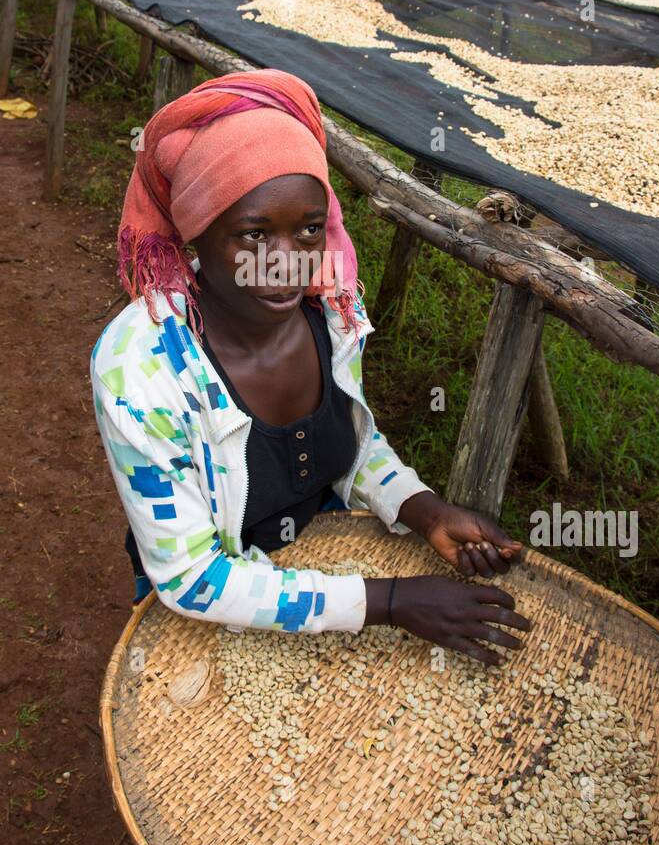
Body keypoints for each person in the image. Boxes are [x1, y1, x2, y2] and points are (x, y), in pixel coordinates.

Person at [92, 69, 530, 662]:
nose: (287, 265)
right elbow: (194, 579)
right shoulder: (140, 370)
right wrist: (390, 603)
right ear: (197, 232)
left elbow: (354, 433)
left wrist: (421, 509)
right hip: (221, 599)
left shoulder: (331, 308)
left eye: (308, 230)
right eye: (253, 234)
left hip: (325, 555)